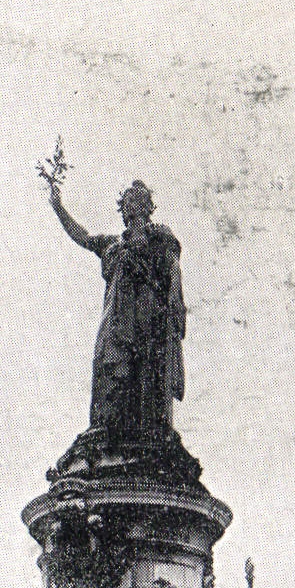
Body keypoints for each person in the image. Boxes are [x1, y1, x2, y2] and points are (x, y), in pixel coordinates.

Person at [47, 176, 186, 441]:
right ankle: (105, 428)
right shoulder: (111, 244)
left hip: (147, 316)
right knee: (109, 363)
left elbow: (173, 271)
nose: (133, 203)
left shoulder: (161, 237)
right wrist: (58, 207)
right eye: (128, 200)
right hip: (116, 319)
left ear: (148, 206)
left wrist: (175, 304)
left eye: (140, 198)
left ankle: (147, 430)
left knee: (146, 369)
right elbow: (84, 237)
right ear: (122, 208)